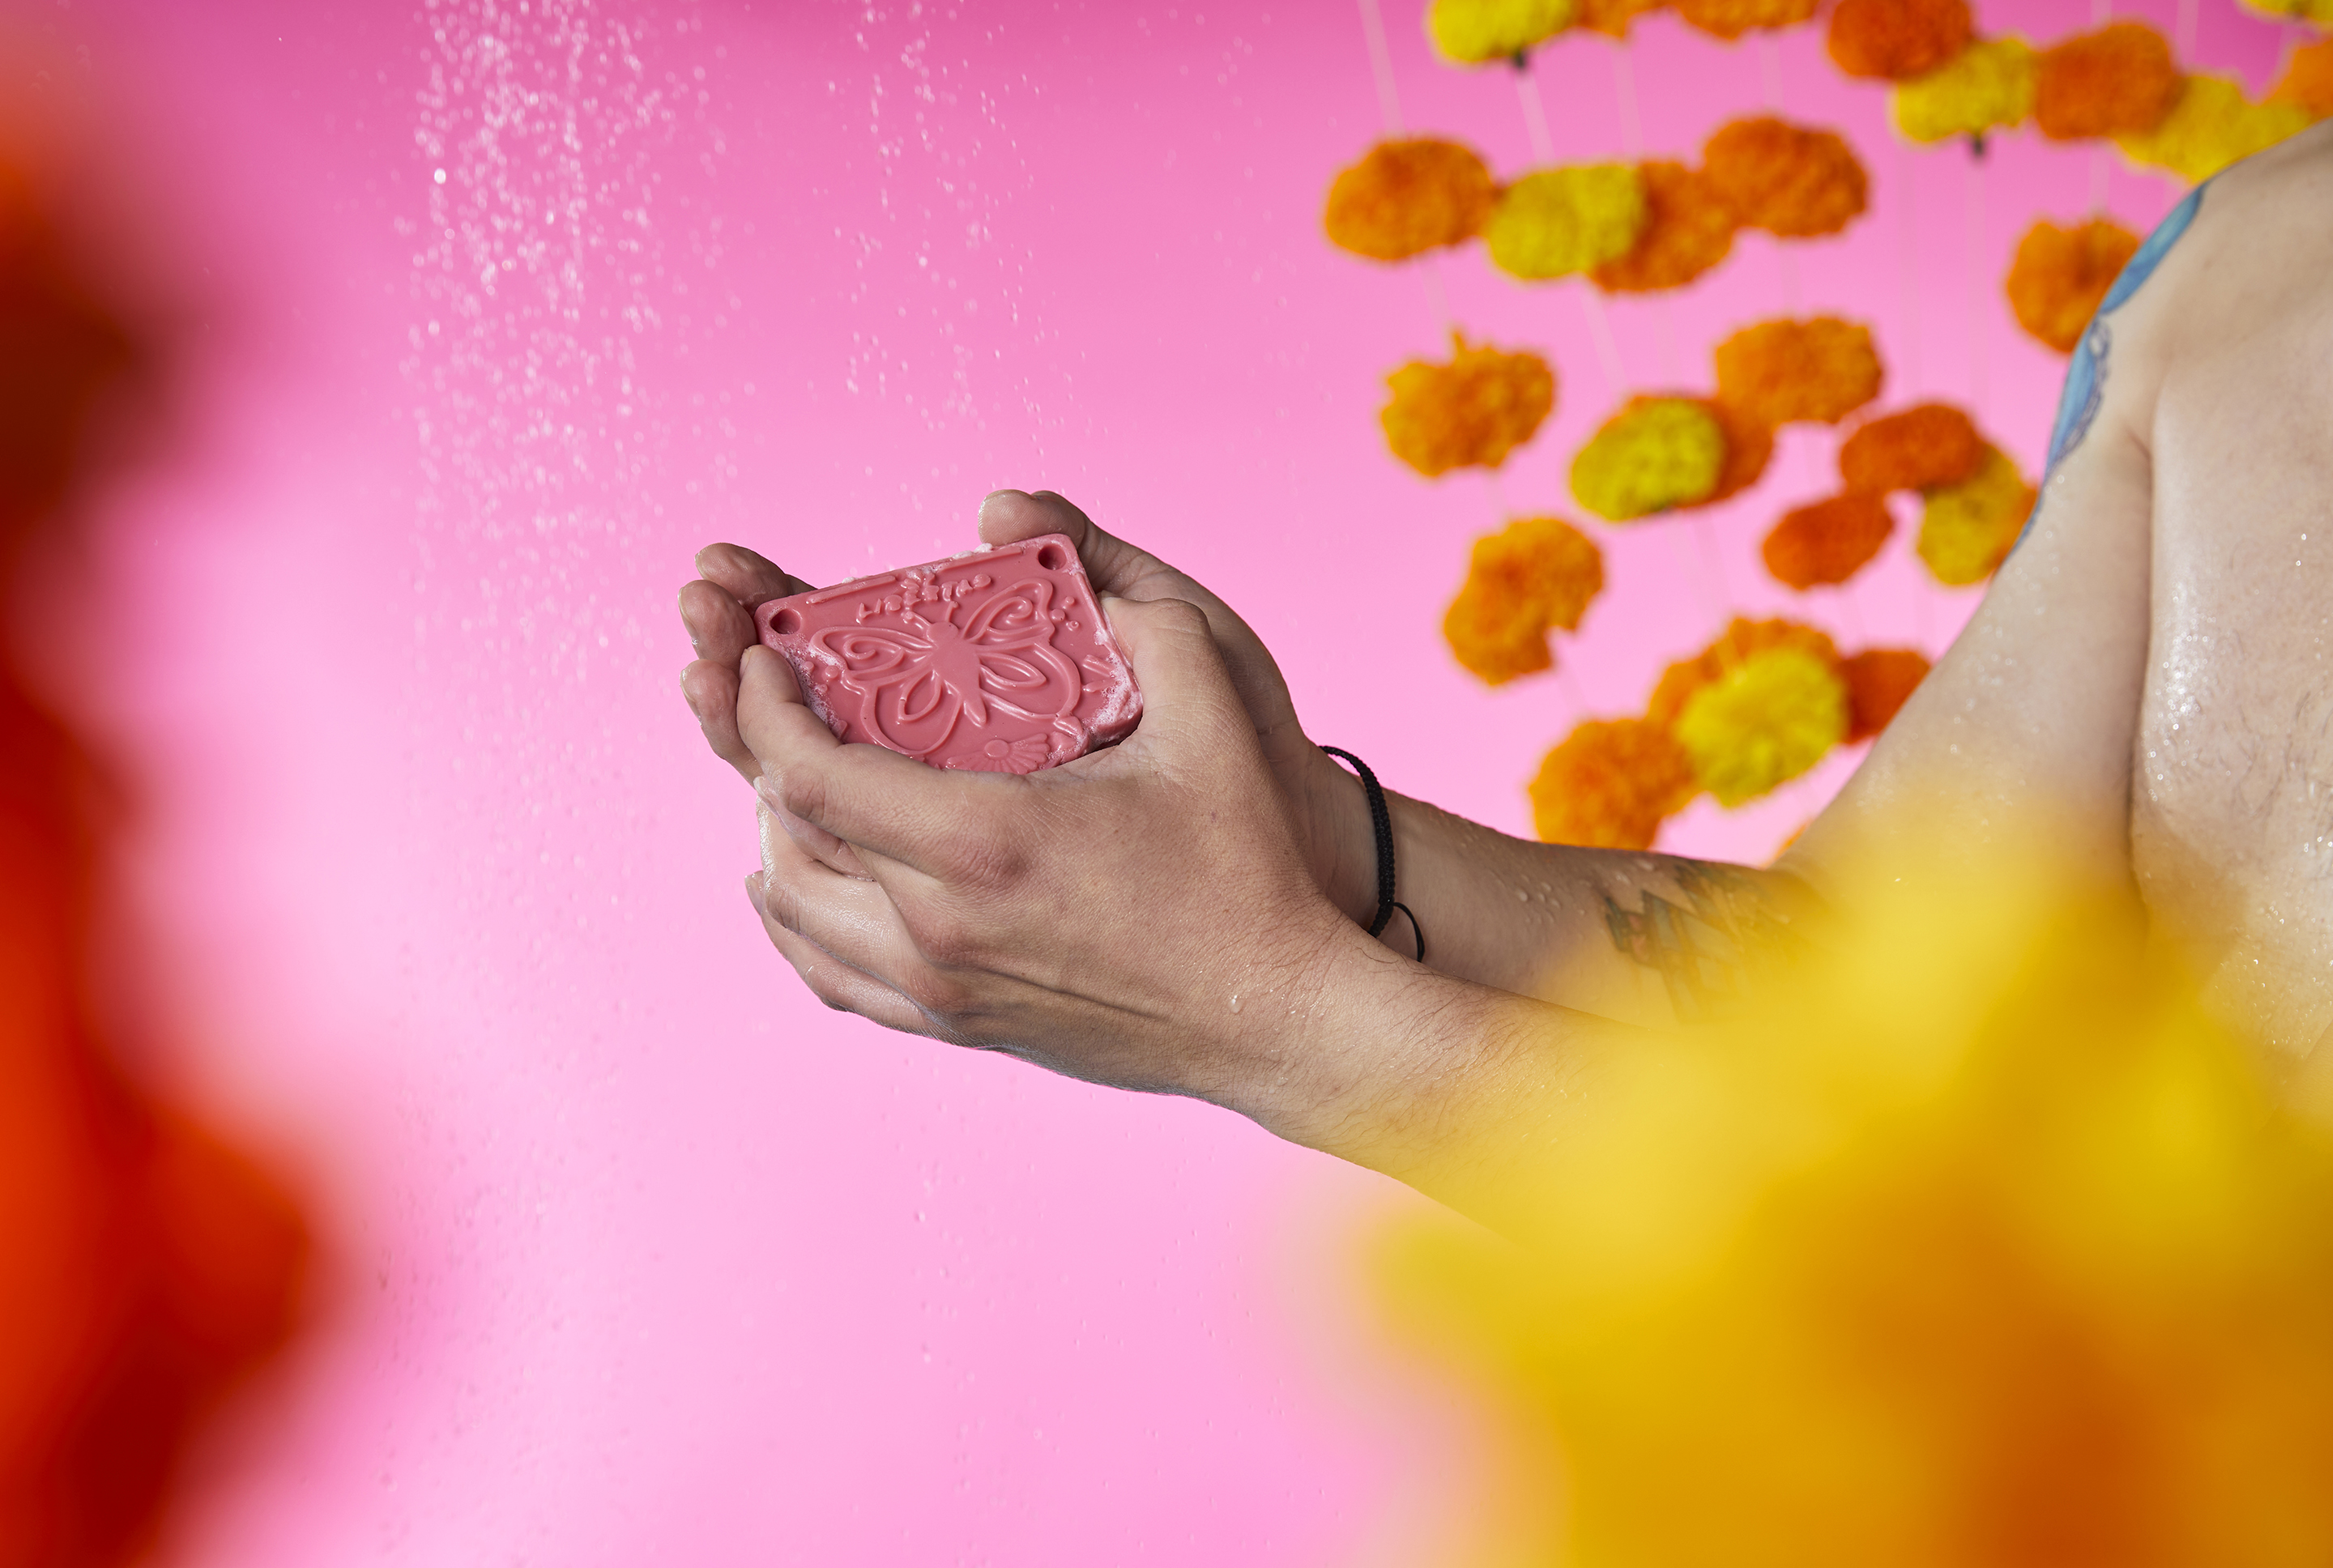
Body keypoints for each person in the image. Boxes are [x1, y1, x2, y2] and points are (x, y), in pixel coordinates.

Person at [676, 125, 2333, 1221]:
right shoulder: (2259, 264)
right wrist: (1327, 861)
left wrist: (1282, 1018)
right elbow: (1897, 990)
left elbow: (2203, 1378)